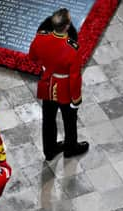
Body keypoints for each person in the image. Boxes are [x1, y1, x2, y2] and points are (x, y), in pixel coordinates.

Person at [28, 8, 89, 161]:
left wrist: (45, 66)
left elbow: (32, 56)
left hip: (47, 83)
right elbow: (75, 77)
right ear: (67, 26)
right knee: (69, 120)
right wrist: (76, 99)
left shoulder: (40, 38)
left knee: (48, 119)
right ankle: (70, 148)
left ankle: (50, 150)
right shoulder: (72, 49)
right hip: (64, 89)